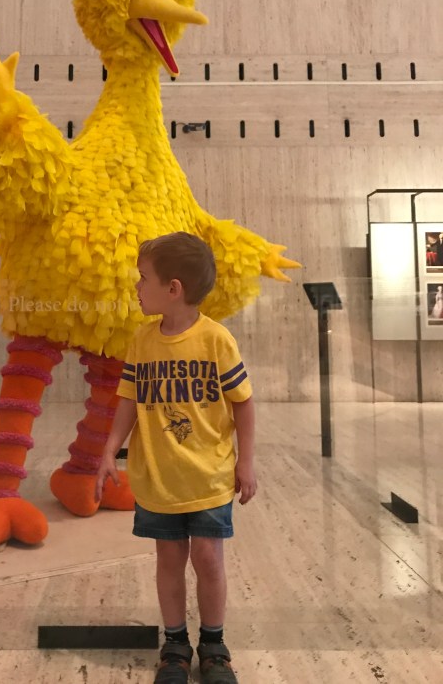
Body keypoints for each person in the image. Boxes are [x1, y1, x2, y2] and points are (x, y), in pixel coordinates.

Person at [95, 232, 257, 684]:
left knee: (208, 559)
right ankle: (175, 645)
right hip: (158, 479)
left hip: (208, 477)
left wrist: (246, 461)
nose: (136, 286)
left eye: (142, 278)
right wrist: (108, 449)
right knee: (168, 560)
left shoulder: (216, 340)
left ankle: (214, 646)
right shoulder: (142, 341)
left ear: (173, 288)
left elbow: (243, 402)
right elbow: (128, 399)